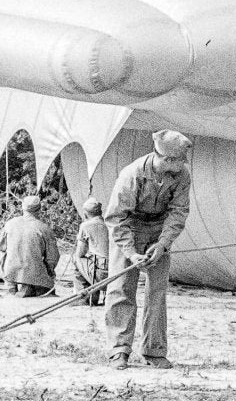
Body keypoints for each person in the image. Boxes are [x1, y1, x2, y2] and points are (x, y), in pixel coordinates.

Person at [102, 130, 193, 368]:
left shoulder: (182, 175)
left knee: (157, 293)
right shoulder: (131, 174)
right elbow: (115, 218)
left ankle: (154, 350)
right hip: (128, 227)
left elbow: (178, 211)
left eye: (182, 161)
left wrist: (163, 244)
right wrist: (131, 253)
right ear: (164, 158)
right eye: (177, 161)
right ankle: (119, 350)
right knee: (120, 288)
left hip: (159, 230)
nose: (180, 166)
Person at [1, 191, 60, 297]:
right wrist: (49, 271)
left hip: (10, 270)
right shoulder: (44, 228)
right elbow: (52, 258)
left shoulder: (9, 224)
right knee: (48, 289)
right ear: (39, 210)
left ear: (22, 208)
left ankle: (11, 285)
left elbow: (1, 246)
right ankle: (29, 285)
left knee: (7, 255)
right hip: (32, 270)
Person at [69, 197, 111, 303]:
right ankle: (108, 297)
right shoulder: (110, 224)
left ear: (85, 214)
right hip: (115, 271)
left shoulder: (86, 225)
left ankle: (86, 298)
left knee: (76, 259)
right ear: (101, 212)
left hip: (102, 274)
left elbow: (80, 253)